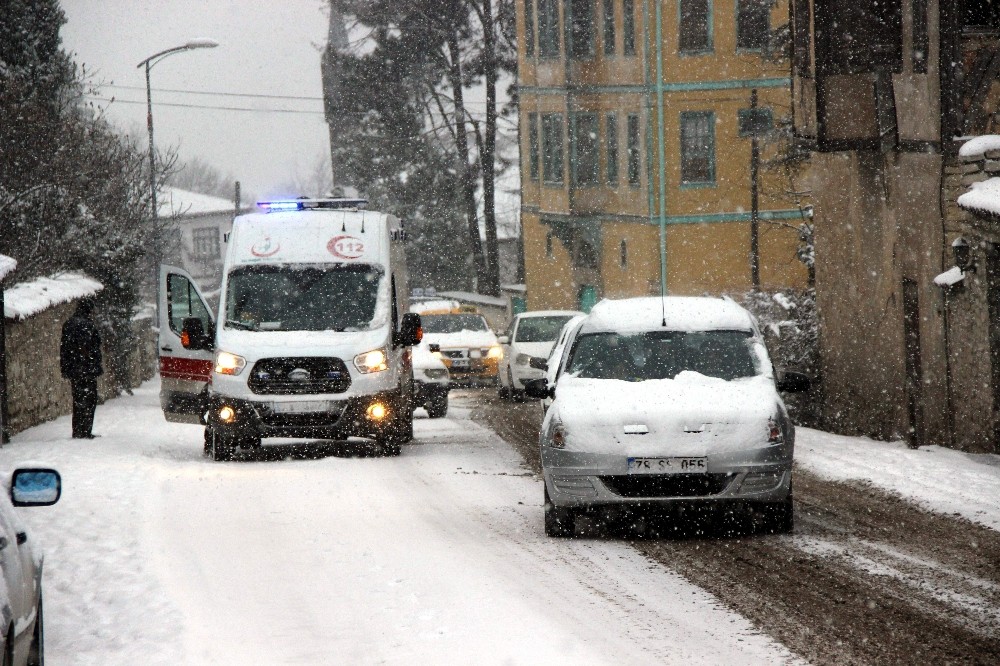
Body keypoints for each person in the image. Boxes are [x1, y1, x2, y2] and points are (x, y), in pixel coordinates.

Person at [60, 298, 103, 439]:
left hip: (74, 369)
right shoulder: (88, 325)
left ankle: (77, 430)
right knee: (90, 399)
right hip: (87, 369)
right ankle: (86, 430)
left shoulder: (68, 324)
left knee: (78, 399)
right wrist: (95, 364)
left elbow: (64, 348)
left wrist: (66, 367)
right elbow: (94, 347)